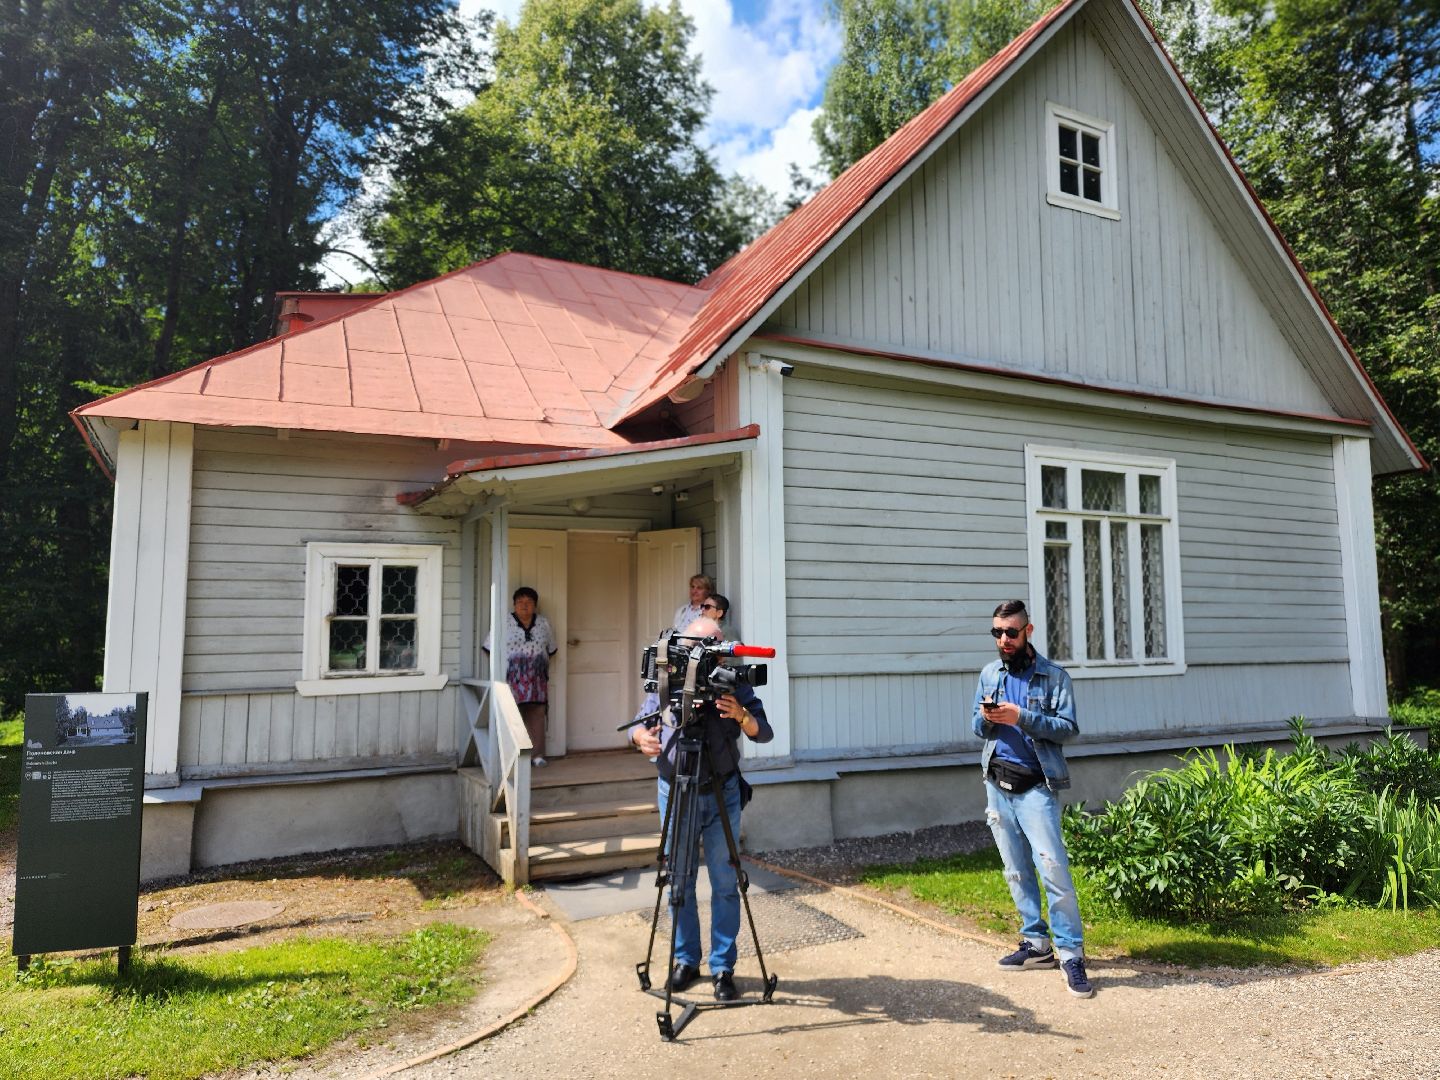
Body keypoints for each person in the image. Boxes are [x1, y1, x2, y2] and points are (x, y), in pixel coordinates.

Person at [630, 616, 772, 1002]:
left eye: (712, 645)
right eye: (696, 645)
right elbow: (640, 723)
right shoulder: (669, 675)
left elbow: (764, 731)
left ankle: (723, 968)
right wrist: (642, 737)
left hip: (721, 790)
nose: (703, 654)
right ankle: (685, 960)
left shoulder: (734, 682)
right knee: (679, 878)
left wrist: (740, 715)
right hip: (675, 790)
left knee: (726, 883)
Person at [972, 599, 1093, 998]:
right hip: (997, 782)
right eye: (997, 633)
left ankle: (1071, 953)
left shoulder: (1054, 677)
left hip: (1036, 786)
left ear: (1029, 631)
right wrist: (988, 717)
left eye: (1011, 632)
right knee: (1016, 869)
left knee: (1053, 870)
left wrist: (1021, 716)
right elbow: (976, 727)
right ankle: (1036, 945)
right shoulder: (990, 673)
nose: (1003, 639)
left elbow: (1067, 728)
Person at [483, 586, 559, 767]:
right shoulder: (504, 622)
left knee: (537, 716)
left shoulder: (543, 623)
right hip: (512, 681)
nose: (524, 606)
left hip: (537, 681)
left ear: (535, 605)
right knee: (512, 717)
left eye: (529, 602)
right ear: (514, 605)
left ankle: (538, 755)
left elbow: (552, 649)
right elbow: (488, 648)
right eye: (520, 602)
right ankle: (511, 757)